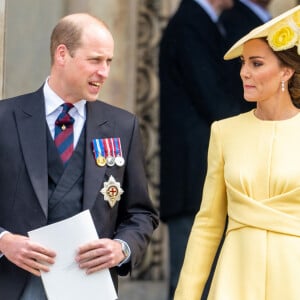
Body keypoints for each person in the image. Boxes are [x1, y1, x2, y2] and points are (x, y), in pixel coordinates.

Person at [0, 13, 159, 300]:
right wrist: (3, 242)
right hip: (14, 285)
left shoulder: (123, 126)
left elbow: (141, 213)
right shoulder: (4, 119)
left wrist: (120, 247)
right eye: (95, 60)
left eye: (108, 62)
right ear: (63, 54)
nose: (105, 72)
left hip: (88, 286)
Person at [175, 5, 300, 299]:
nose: (244, 72)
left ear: (286, 70)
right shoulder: (224, 132)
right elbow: (207, 224)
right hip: (235, 279)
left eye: (256, 63)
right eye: (244, 63)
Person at [159, 0, 253, 299]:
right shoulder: (189, 23)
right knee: (192, 281)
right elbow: (214, 99)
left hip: (204, 177)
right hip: (194, 179)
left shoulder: (207, 22)